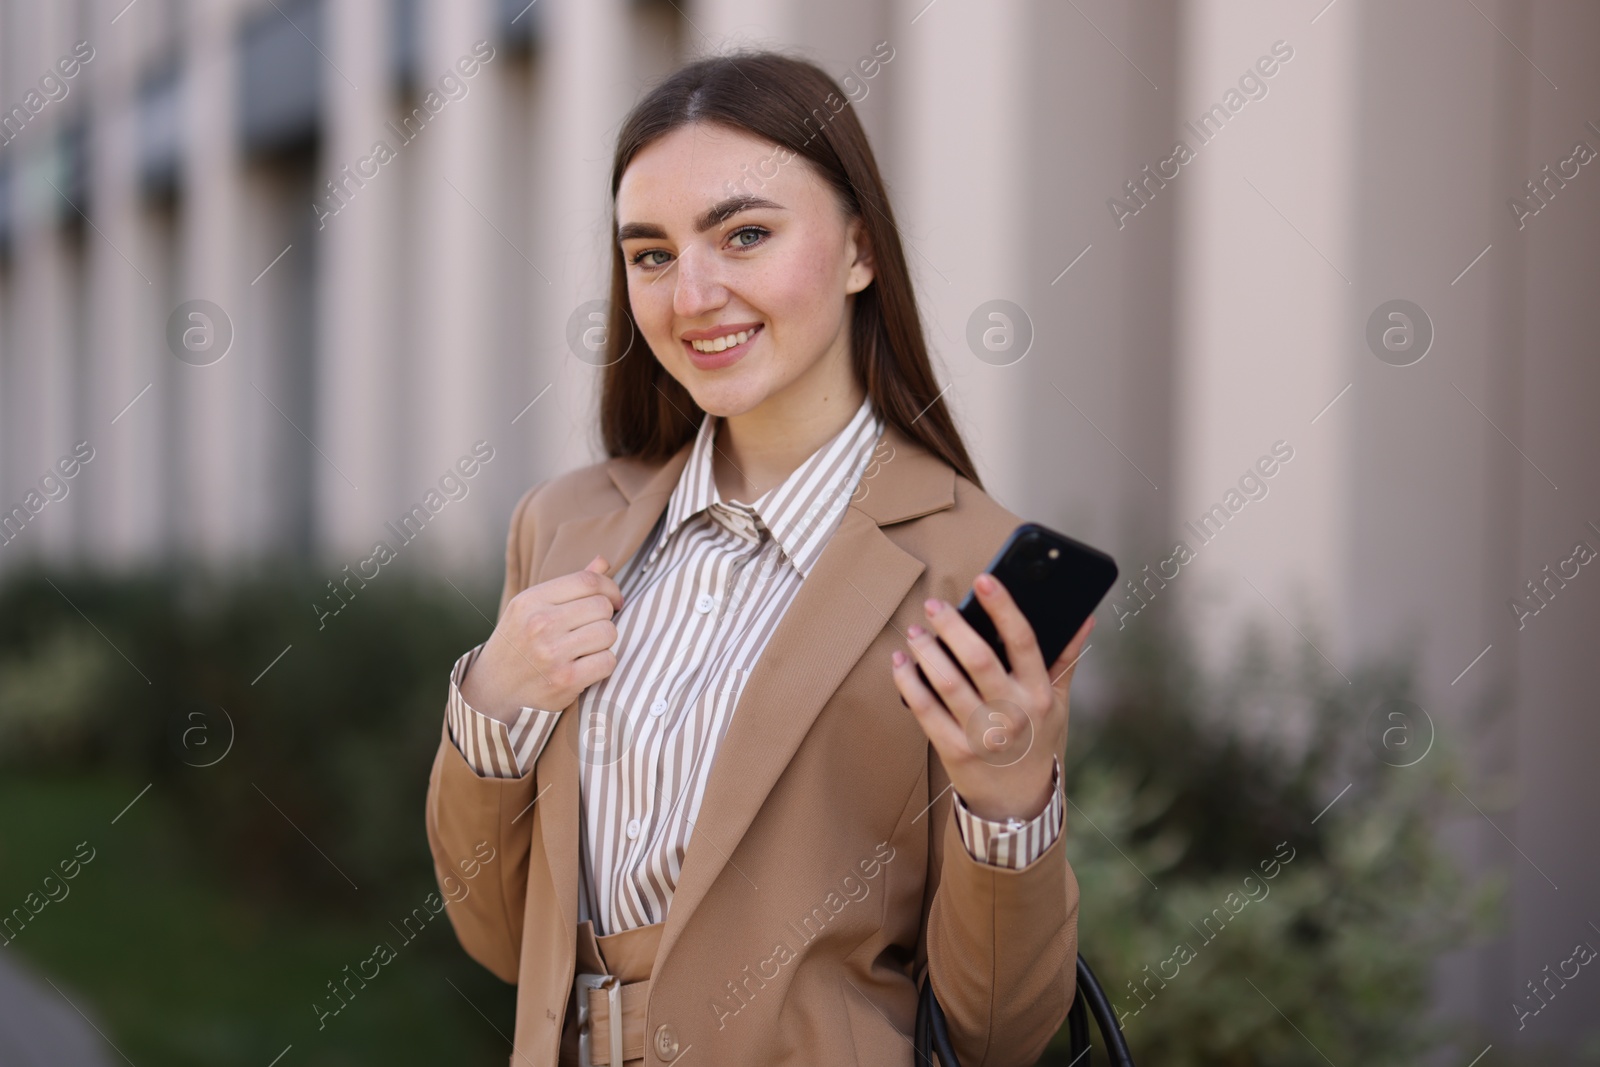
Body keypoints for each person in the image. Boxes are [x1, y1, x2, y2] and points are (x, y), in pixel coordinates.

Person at [424, 49, 1092, 1067]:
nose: (692, 293)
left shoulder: (966, 565)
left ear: (860, 248)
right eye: (650, 254)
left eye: (744, 234)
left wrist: (1008, 794)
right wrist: (492, 710)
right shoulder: (562, 528)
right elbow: (499, 937)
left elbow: (998, 1028)